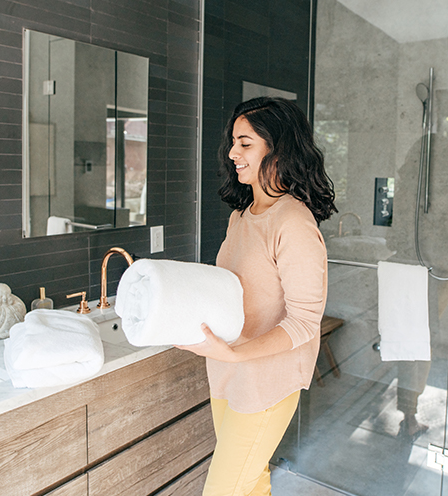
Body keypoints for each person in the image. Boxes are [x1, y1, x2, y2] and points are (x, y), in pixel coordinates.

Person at [176, 97, 337, 496]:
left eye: (245, 143)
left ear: (278, 148)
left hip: (267, 381)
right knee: (249, 484)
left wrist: (233, 354)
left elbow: (303, 322)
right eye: (234, 142)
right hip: (229, 371)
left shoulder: (293, 223)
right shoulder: (242, 216)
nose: (232, 153)